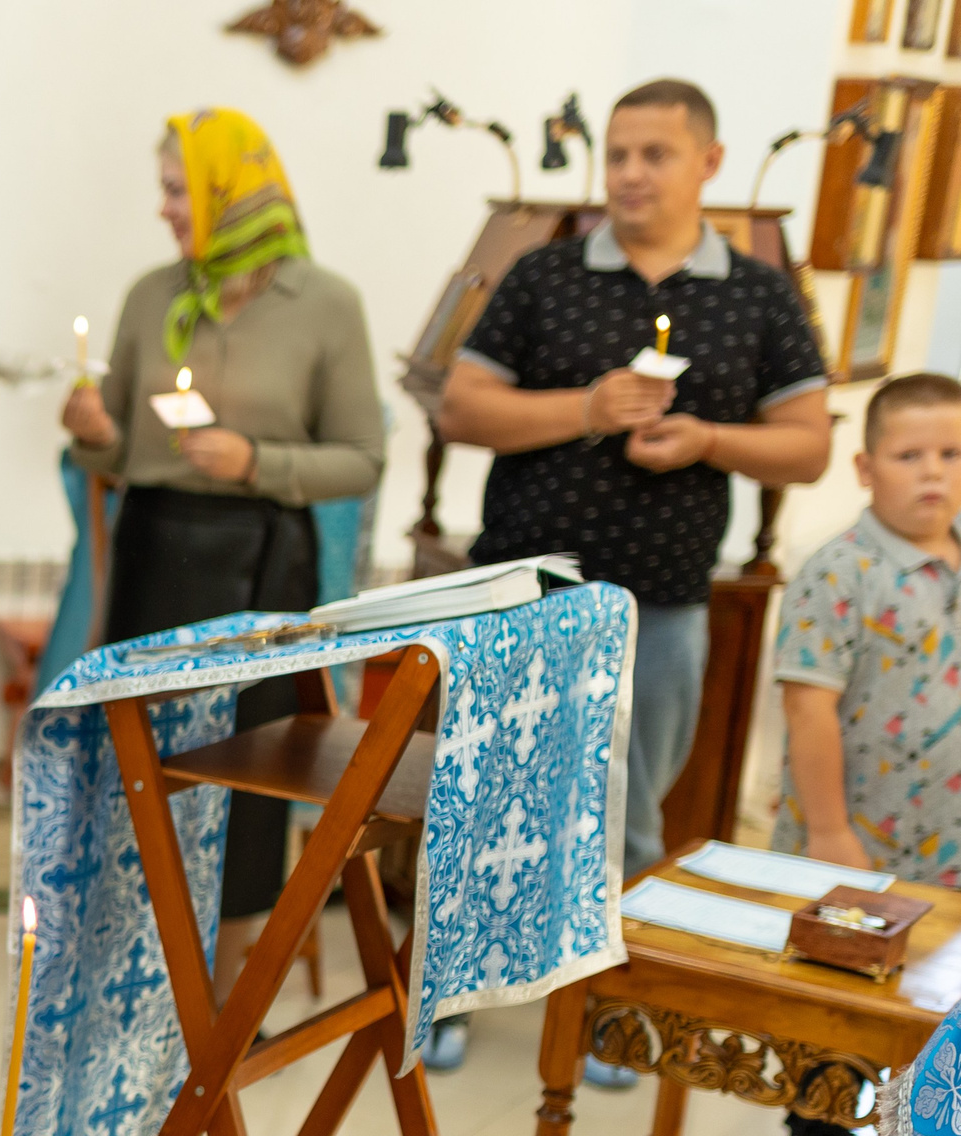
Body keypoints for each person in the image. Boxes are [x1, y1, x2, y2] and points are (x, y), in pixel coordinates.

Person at [436, 77, 831, 1076]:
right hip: (521, 593)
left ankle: (611, 1017)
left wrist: (706, 438)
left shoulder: (758, 293)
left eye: (654, 154)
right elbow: (462, 409)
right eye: (616, 154)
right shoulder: (545, 272)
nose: (628, 174)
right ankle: (453, 995)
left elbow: (808, 446)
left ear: (708, 162)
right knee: (484, 796)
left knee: (632, 816)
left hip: (660, 601)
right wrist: (585, 409)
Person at [61, 108, 384, 1006]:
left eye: (179, 190)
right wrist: (90, 431)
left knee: (246, 781)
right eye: (165, 190)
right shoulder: (149, 295)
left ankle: (221, 999)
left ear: (229, 192)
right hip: (156, 551)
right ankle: (132, 975)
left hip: (262, 564)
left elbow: (362, 458)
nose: (165, 209)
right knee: (141, 770)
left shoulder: (326, 304)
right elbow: (117, 450)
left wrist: (257, 462)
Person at [766, 372, 961, 1136]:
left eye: (952, 453)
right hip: (854, 831)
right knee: (841, 990)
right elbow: (808, 706)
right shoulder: (840, 570)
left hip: (945, 833)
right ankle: (816, 1129)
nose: (934, 471)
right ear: (865, 467)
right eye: (910, 455)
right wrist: (828, 830)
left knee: (932, 986)